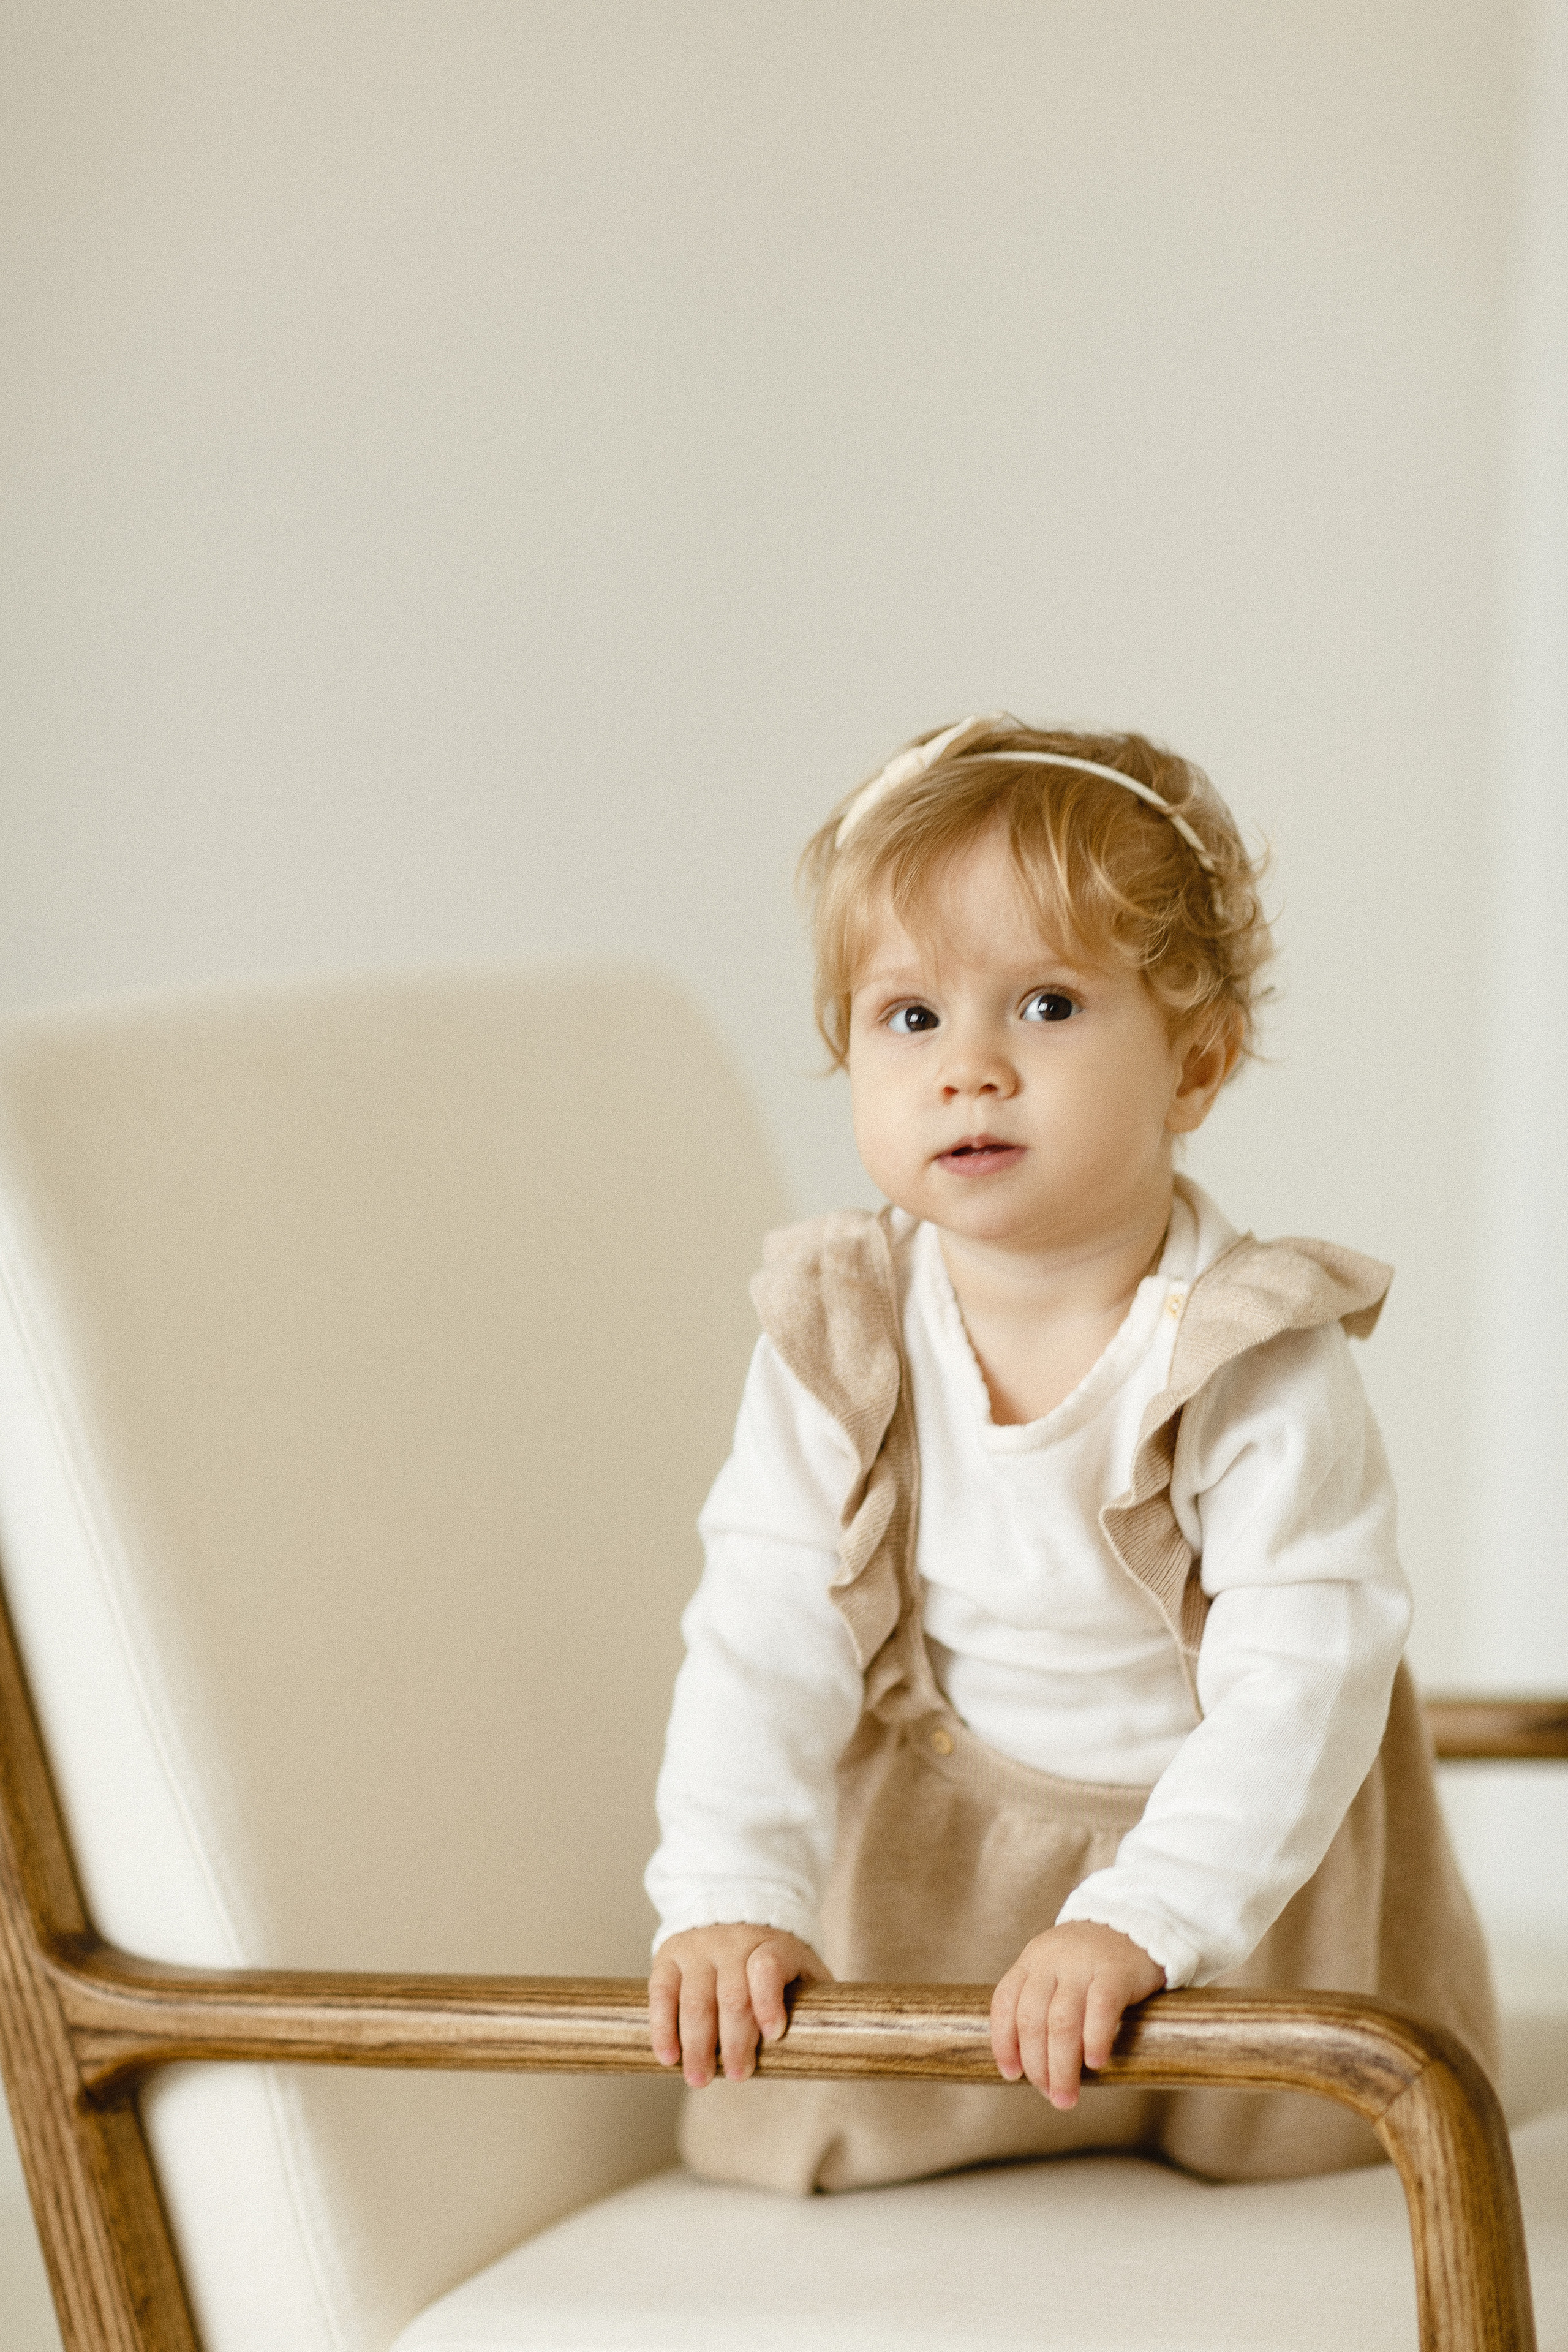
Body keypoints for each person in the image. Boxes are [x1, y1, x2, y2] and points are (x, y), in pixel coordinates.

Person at [643, 715, 1494, 2196]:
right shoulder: (841, 1332)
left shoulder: (1245, 1348)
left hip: (1230, 1848)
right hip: (934, 1849)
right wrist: (729, 1890)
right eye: (909, 1018)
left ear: (1195, 1063)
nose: (966, 1068)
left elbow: (1305, 1667)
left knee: (1332, 2168)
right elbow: (762, 1629)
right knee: (805, 2138)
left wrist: (1146, 1912)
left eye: (1043, 1004)